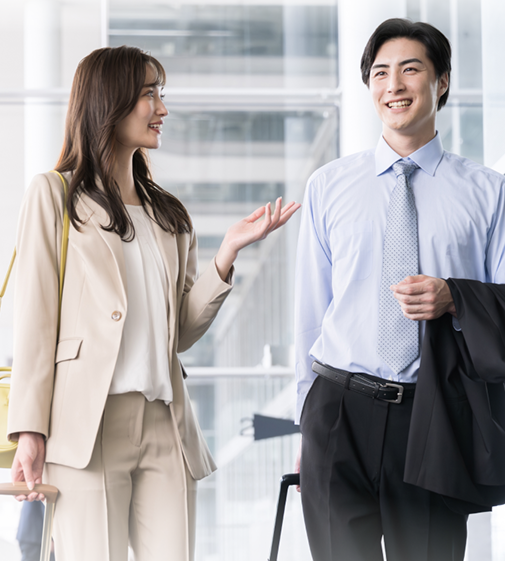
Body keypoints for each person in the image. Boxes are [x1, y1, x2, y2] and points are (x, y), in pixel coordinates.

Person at [7, 45, 300, 561]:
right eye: (149, 94)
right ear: (109, 101)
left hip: (166, 425)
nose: (161, 108)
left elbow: (180, 332)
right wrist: (29, 429)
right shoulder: (54, 196)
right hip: (87, 428)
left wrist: (226, 253)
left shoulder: (170, 215)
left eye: (159, 94)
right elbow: (35, 320)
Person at [294, 18, 505, 561]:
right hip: (338, 413)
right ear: (369, 88)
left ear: (442, 82)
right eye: (381, 73)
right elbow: (310, 316)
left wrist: (454, 297)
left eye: (411, 69)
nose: (394, 85)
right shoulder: (328, 187)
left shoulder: (489, 193)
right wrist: (306, 419)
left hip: (434, 415)